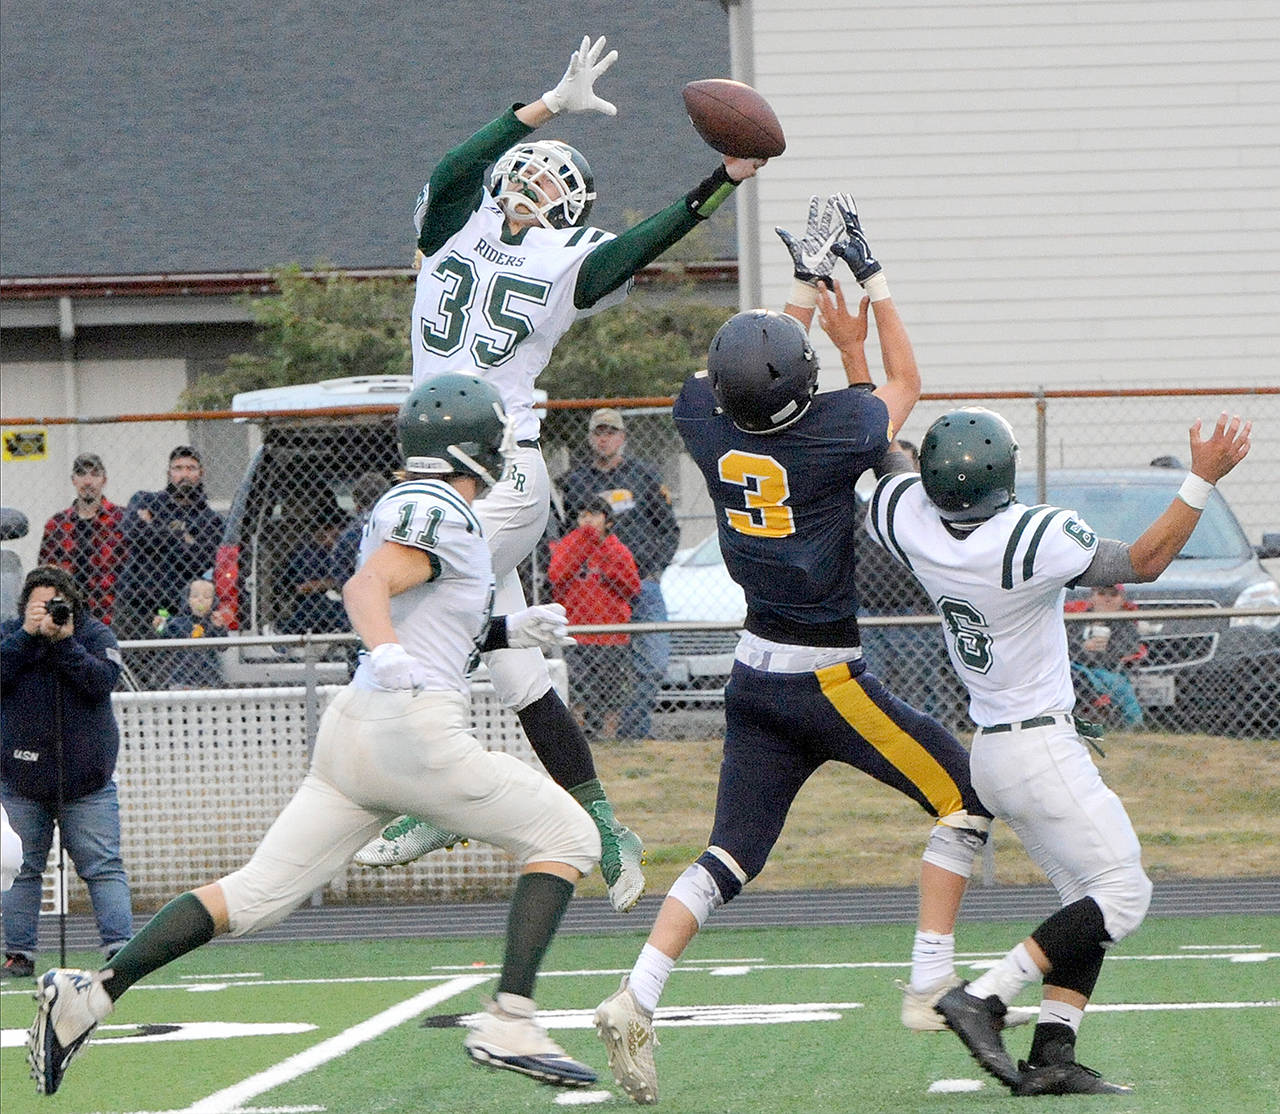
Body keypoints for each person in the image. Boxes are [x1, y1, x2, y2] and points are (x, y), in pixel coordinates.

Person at [24, 374, 603, 1096]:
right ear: (475, 446)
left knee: (257, 894)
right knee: (570, 838)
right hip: (411, 727)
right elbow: (369, 592)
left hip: (354, 733)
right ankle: (511, 1018)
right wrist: (391, 656)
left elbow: (428, 617)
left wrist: (507, 629)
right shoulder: (440, 507)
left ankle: (94, 993)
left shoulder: (409, 502)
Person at [593, 196, 1013, 1106]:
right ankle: (928, 981)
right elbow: (904, 381)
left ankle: (637, 994)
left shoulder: (704, 418)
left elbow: (759, 363)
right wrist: (869, 276)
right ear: (798, 388)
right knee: (966, 794)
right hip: (827, 676)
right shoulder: (833, 436)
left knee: (729, 855)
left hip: (753, 675)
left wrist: (801, 287)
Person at [362, 34, 765, 910]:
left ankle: (442, 796)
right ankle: (603, 826)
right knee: (515, 674)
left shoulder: (567, 259)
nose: (532, 182)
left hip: (499, 473)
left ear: (570, 208)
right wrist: (544, 104)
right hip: (439, 472)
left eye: (553, 181)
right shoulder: (448, 227)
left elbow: (640, 246)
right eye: (529, 168)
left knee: (408, 608)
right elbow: (457, 160)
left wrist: (720, 183)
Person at [864, 406, 1251, 1095]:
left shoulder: (905, 518)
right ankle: (981, 998)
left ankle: (1052, 1053)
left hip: (991, 743)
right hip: (1038, 745)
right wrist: (1202, 478)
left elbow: (887, 456)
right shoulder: (1031, 535)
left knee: (1084, 896)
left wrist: (856, 350)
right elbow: (1145, 561)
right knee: (1125, 894)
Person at [1, 566, 132, 981]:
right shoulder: (9, 637)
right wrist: (27, 636)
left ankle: (120, 950)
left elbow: (101, 681)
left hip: (86, 781)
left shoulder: (94, 636)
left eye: (57, 604)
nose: (49, 613)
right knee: (20, 868)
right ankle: (18, 953)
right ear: (24, 607)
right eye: (40, 606)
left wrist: (65, 642)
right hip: (21, 779)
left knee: (103, 865)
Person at [561, 408, 680, 739]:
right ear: (590, 438)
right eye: (598, 432)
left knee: (651, 665)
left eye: (610, 432)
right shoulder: (576, 482)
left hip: (641, 586)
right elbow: (566, 534)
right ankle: (597, 736)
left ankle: (633, 734)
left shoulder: (644, 477)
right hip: (596, 592)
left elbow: (668, 530)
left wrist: (653, 573)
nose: (604, 438)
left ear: (623, 437)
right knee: (594, 669)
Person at [115, 446, 223, 685]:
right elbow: (131, 533)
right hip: (136, 605)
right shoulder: (144, 499)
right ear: (169, 472)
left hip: (177, 614)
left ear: (201, 473)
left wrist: (153, 529)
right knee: (127, 676)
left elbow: (199, 559)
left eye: (190, 468)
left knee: (171, 679)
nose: (184, 474)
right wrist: (181, 537)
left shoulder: (210, 519)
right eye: (178, 468)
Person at [548, 495, 641, 741]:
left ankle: (608, 736)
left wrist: (607, 563)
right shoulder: (569, 546)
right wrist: (582, 545)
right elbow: (557, 576)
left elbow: (631, 587)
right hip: (578, 631)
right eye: (582, 515)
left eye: (594, 514)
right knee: (579, 689)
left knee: (611, 690)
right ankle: (577, 736)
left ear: (608, 521)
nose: (587, 519)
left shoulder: (616, 549)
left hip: (611, 632)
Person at [38, 453, 127, 627]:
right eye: (82, 474)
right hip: (68, 615)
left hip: (113, 614)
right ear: (73, 480)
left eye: (94, 474)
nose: (88, 481)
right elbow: (45, 573)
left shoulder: (121, 520)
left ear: (104, 480)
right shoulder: (56, 524)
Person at [1067, 585, 1145, 729]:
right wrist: (1085, 648)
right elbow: (1066, 646)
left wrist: (1104, 649)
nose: (1107, 599)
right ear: (1092, 597)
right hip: (1075, 668)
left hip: (1108, 671)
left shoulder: (1126, 625)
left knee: (1118, 685)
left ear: (1122, 600)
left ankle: (1135, 726)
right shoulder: (1077, 620)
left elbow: (1128, 649)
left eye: (1113, 595)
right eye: (1102, 593)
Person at [278, 506, 348, 634]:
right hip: (314, 603)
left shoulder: (342, 551)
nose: (340, 539)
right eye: (336, 535)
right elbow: (302, 588)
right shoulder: (308, 553)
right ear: (322, 532)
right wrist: (334, 583)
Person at [157, 577, 228, 689]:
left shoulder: (212, 623)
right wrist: (160, 626)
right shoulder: (177, 622)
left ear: (213, 602)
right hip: (181, 676)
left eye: (207, 597)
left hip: (208, 676)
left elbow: (223, 647)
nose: (201, 600)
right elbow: (164, 638)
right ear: (187, 599)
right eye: (195, 596)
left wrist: (219, 627)